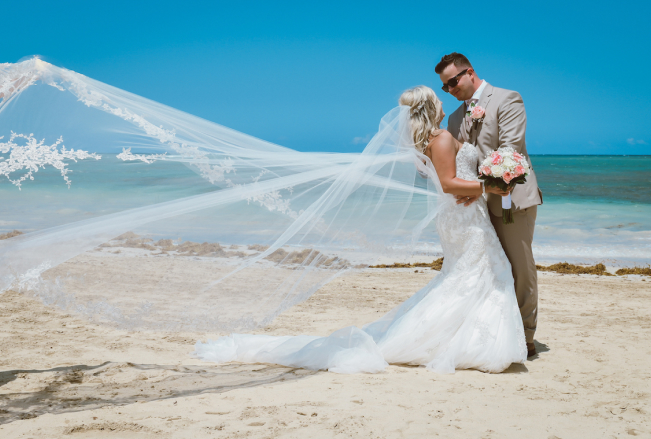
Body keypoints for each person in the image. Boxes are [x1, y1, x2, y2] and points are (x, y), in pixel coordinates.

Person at [193, 86, 527, 374]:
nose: (443, 101)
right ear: (430, 107)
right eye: (436, 97)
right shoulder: (439, 139)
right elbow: (449, 183)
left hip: (463, 217)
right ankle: (474, 345)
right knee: (480, 274)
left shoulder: (432, 140)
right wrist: (488, 187)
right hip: (464, 218)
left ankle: (475, 339)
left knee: (470, 277)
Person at [436, 52, 543, 357]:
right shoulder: (456, 118)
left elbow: (510, 149)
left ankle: (526, 336)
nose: (451, 89)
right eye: (445, 87)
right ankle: (496, 333)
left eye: (453, 81)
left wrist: (480, 185)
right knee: (491, 270)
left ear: (470, 72)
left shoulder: (508, 99)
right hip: (477, 207)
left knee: (520, 267)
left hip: (513, 198)